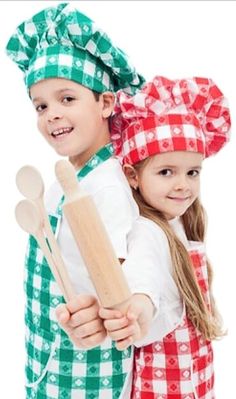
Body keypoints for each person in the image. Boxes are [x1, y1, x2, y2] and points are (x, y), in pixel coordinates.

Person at [6, 2, 146, 398]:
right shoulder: (70, 176)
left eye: (67, 98)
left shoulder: (106, 186)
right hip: (52, 351)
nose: (51, 114)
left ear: (105, 103)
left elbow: (116, 285)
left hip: (89, 364)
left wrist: (107, 317)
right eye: (41, 105)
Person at [100, 75, 231, 398]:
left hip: (195, 377)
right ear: (132, 175)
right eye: (166, 172)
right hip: (162, 387)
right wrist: (138, 311)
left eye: (192, 172)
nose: (183, 185)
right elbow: (142, 282)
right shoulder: (148, 231)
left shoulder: (181, 222)